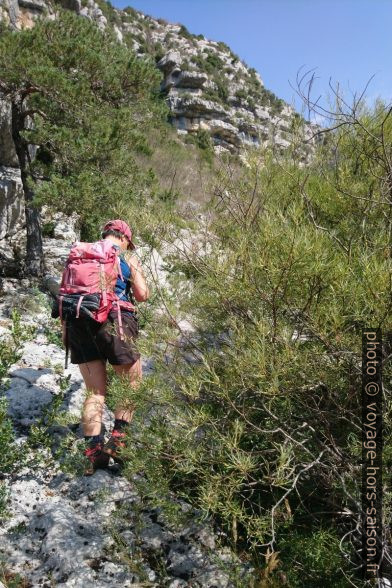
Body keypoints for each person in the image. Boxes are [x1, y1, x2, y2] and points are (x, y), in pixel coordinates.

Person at [61, 219, 150, 475]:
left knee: (94, 392)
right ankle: (118, 441)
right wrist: (134, 269)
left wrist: (66, 333)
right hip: (115, 320)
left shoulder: (78, 255)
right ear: (123, 238)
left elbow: (65, 293)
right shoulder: (125, 255)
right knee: (131, 382)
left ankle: (93, 455)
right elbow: (143, 294)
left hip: (78, 323)